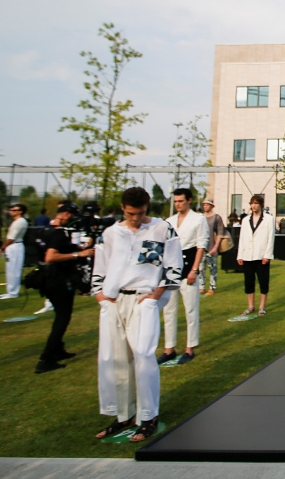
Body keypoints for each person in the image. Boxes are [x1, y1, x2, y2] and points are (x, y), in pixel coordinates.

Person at [92, 186, 182, 443]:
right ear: (123, 208)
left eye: (140, 213)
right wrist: (101, 296)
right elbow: (100, 266)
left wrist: (155, 295)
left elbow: (174, 265)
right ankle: (124, 415)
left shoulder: (162, 229)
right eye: (131, 213)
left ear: (147, 208)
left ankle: (148, 416)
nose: (135, 218)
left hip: (144, 300)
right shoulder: (110, 233)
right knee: (117, 358)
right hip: (115, 300)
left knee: (143, 355)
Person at [35, 201, 95, 373]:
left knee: (60, 315)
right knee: (62, 318)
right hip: (58, 280)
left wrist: (80, 247)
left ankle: (58, 350)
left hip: (45, 279)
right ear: (67, 214)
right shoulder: (59, 234)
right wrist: (78, 254)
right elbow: (50, 257)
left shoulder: (45, 230)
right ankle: (46, 358)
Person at [161, 188, 208, 365]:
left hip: (189, 267)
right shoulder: (169, 221)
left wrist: (194, 270)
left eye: (181, 201)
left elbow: (201, 246)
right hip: (171, 269)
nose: (178, 204)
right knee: (169, 310)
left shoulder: (198, 219)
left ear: (189, 200)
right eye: (175, 201)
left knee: (190, 309)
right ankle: (169, 348)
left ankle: (190, 347)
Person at [237, 194, 274, 316]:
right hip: (248, 255)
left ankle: (262, 306)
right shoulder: (245, 220)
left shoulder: (268, 219)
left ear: (261, 205)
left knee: (263, 281)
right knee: (249, 281)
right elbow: (242, 238)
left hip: (261, 255)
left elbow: (270, 238)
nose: (253, 206)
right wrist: (240, 255)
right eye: (252, 203)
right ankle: (250, 306)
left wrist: (267, 255)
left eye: (256, 203)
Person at [2, 203, 28, 299]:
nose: (11, 212)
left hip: (16, 246)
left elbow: (11, 238)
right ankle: (10, 291)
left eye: (14, 210)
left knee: (14, 270)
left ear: (20, 211)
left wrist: (3, 247)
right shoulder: (15, 221)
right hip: (12, 246)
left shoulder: (20, 221)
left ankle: (13, 292)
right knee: (9, 270)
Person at [200, 199, 225, 296]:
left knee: (212, 268)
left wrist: (216, 247)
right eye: (204, 205)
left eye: (207, 205)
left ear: (211, 206)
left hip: (212, 246)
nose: (205, 206)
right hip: (201, 247)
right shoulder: (200, 217)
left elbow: (220, 233)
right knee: (201, 268)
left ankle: (212, 287)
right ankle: (201, 287)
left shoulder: (216, 218)